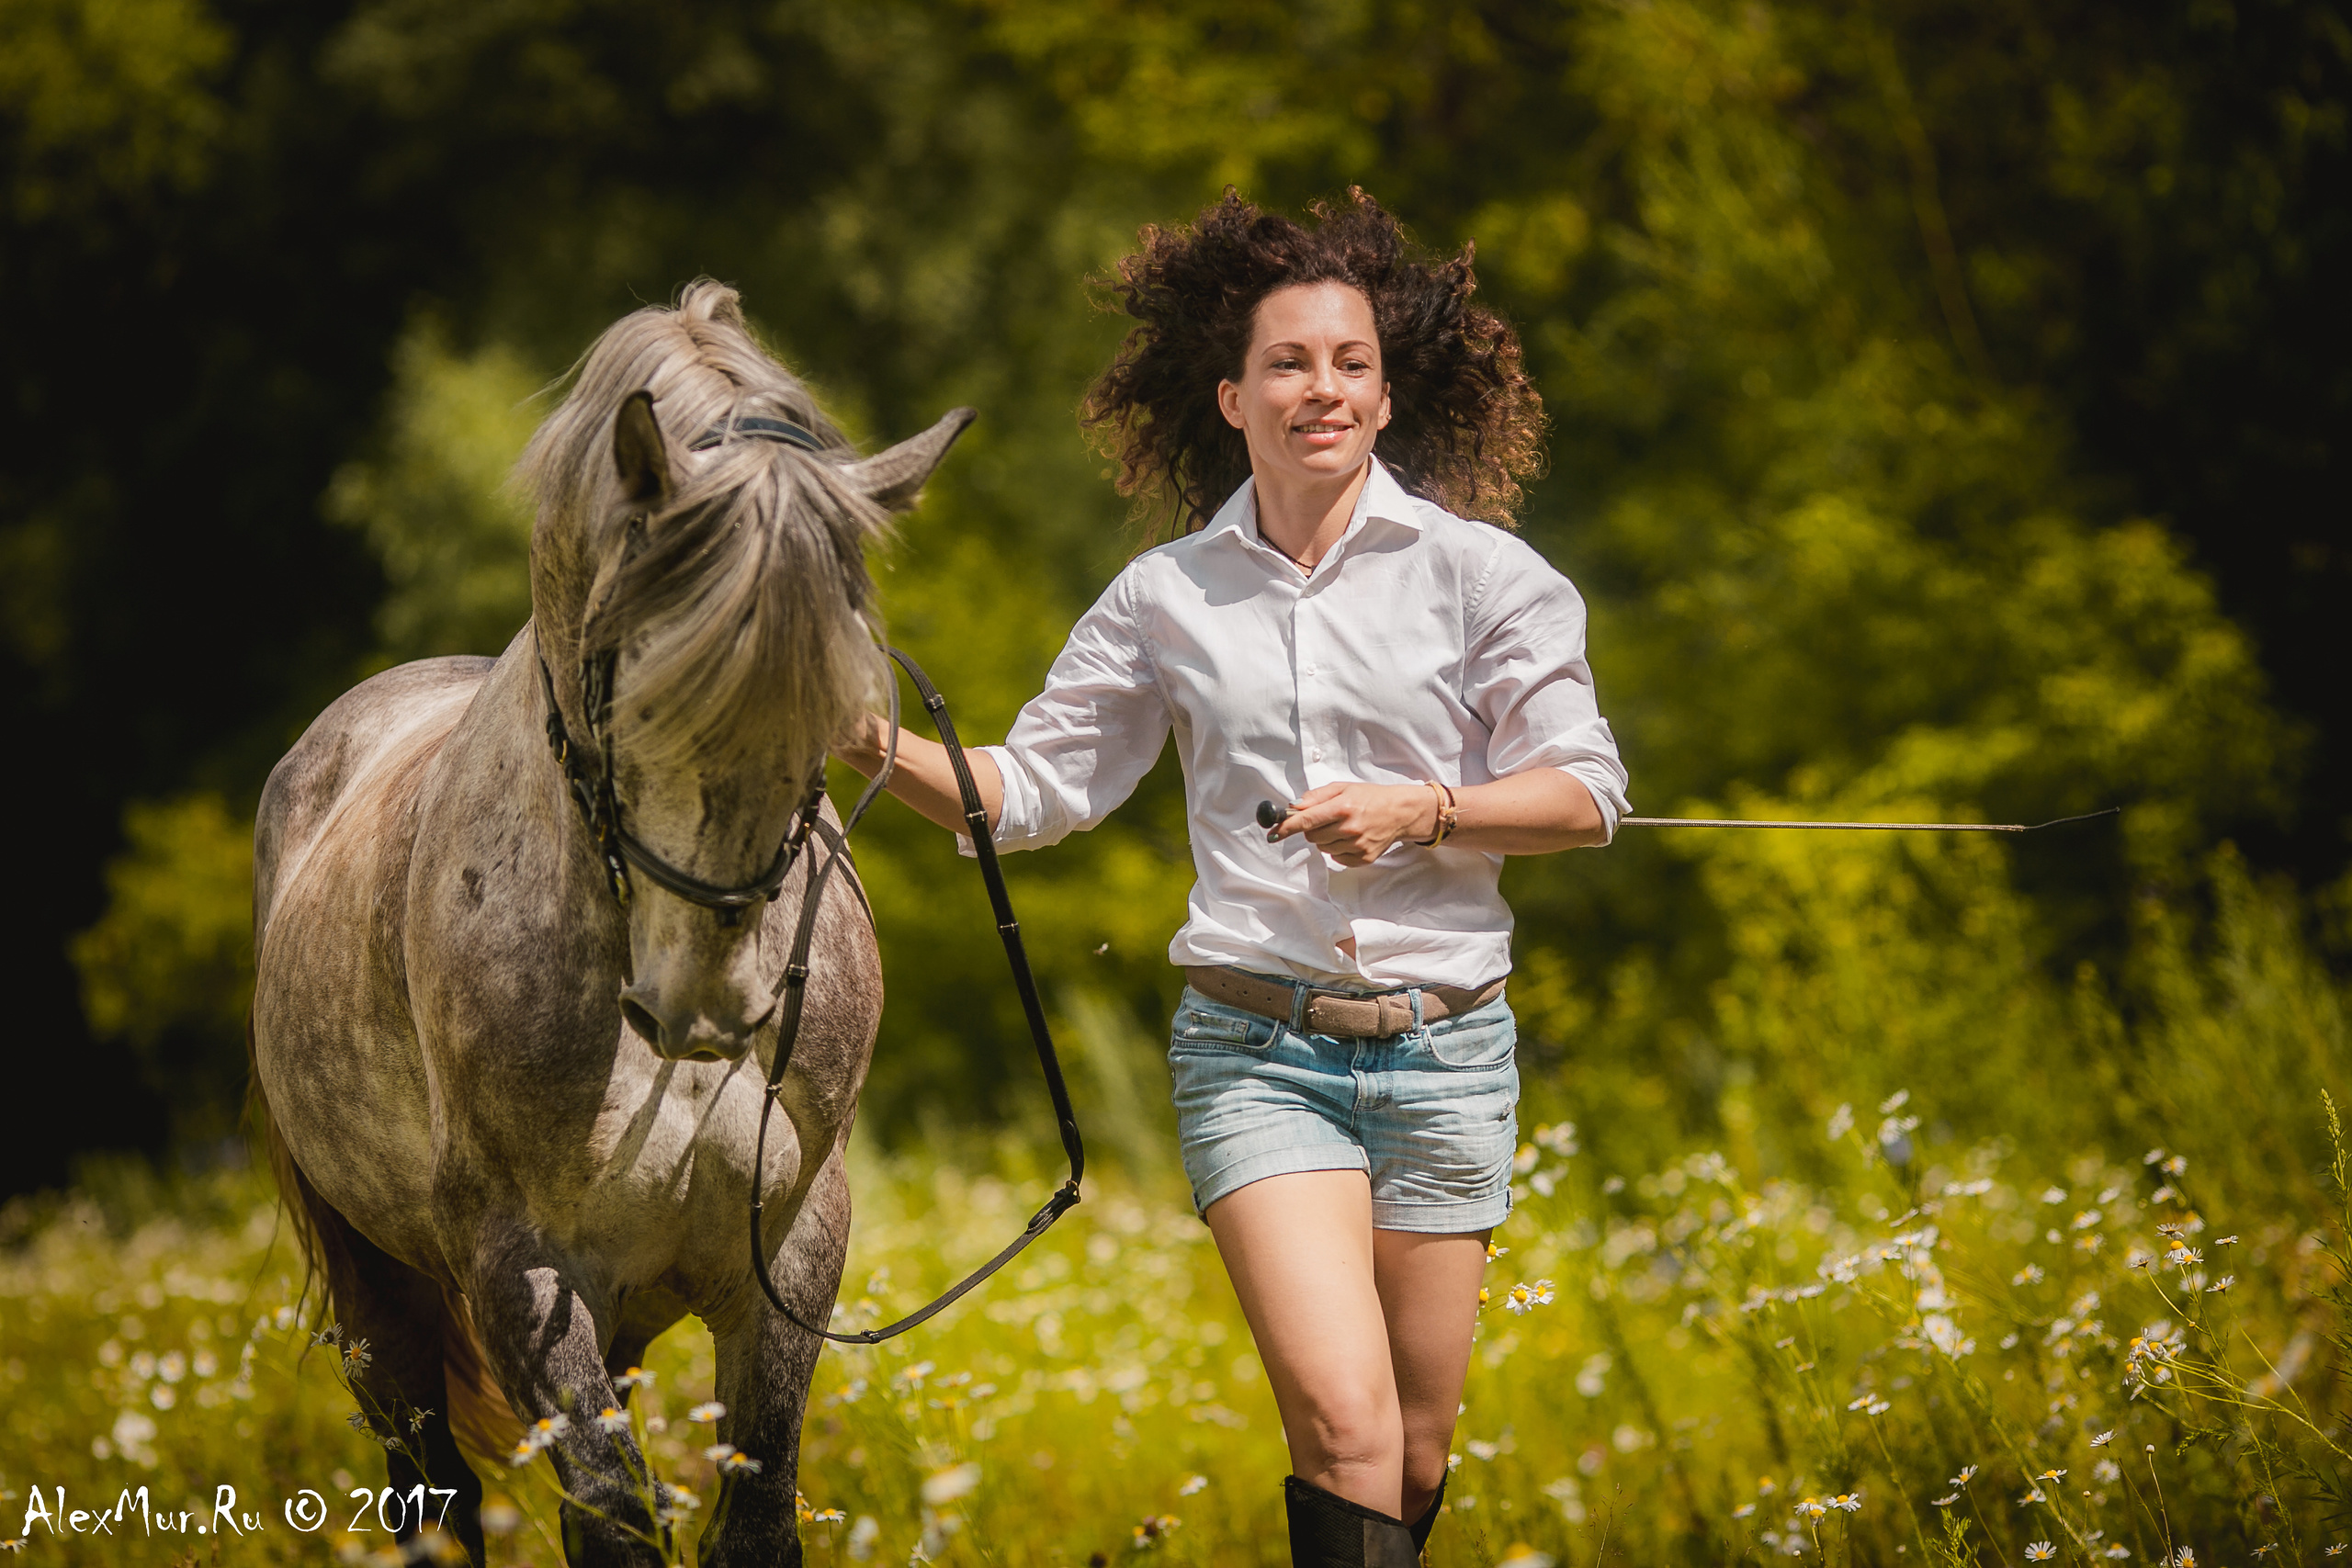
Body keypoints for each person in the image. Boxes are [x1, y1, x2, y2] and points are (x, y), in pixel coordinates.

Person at [834, 188, 1628, 1566]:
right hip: (1259, 1053)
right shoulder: (1165, 596)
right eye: (1288, 363)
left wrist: (1429, 809)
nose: (1322, 389)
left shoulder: (1487, 577)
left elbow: (1584, 798)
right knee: (1346, 1428)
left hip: (1449, 1056)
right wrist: (855, 734)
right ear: (1231, 397)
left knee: (1415, 1448)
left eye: (1351, 364)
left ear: (1385, 397)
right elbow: (1027, 794)